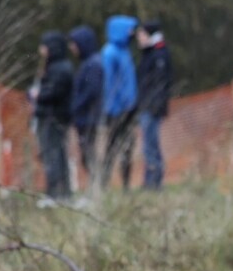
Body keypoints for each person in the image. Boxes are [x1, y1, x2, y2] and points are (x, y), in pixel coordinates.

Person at [31, 31, 74, 201]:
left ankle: (57, 193)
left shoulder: (60, 69)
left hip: (52, 117)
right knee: (54, 154)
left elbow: (54, 92)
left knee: (53, 155)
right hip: (50, 116)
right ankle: (59, 191)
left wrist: (38, 95)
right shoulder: (54, 67)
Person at [100, 15, 139, 188]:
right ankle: (104, 182)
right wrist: (110, 108)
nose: (132, 33)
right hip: (116, 111)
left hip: (129, 109)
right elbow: (108, 84)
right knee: (112, 147)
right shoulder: (109, 52)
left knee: (128, 147)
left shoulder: (125, 52)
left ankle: (126, 185)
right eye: (130, 29)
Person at [135, 20, 173, 189]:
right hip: (146, 106)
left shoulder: (159, 54)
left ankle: (154, 181)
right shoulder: (150, 53)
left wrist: (153, 105)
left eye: (141, 34)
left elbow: (160, 83)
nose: (138, 38)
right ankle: (150, 179)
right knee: (148, 145)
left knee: (150, 145)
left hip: (151, 107)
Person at [68, 26, 105, 186]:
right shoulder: (88, 64)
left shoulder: (93, 65)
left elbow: (91, 91)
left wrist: (75, 106)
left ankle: (97, 185)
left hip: (89, 118)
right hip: (85, 117)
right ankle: (95, 185)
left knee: (89, 155)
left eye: (74, 44)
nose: (72, 48)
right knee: (86, 155)